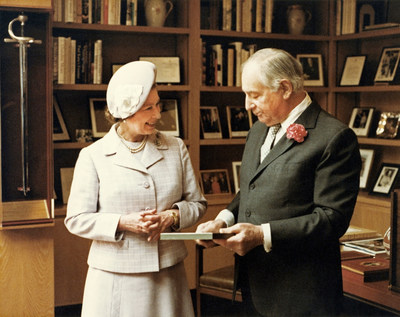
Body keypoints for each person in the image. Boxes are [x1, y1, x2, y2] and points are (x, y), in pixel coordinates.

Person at [196, 48, 361, 316]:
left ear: (284, 88)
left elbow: (332, 219)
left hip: (302, 294)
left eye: (255, 95)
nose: (247, 105)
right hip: (255, 285)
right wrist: (224, 220)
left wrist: (262, 235)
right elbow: (251, 187)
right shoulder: (258, 129)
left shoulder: (335, 137)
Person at [65, 61, 207, 317]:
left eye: (158, 104)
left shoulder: (175, 147)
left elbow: (197, 203)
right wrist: (122, 222)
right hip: (114, 275)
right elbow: (76, 219)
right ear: (125, 110)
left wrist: (171, 216)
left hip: (168, 273)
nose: (158, 114)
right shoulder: (93, 156)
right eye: (148, 108)